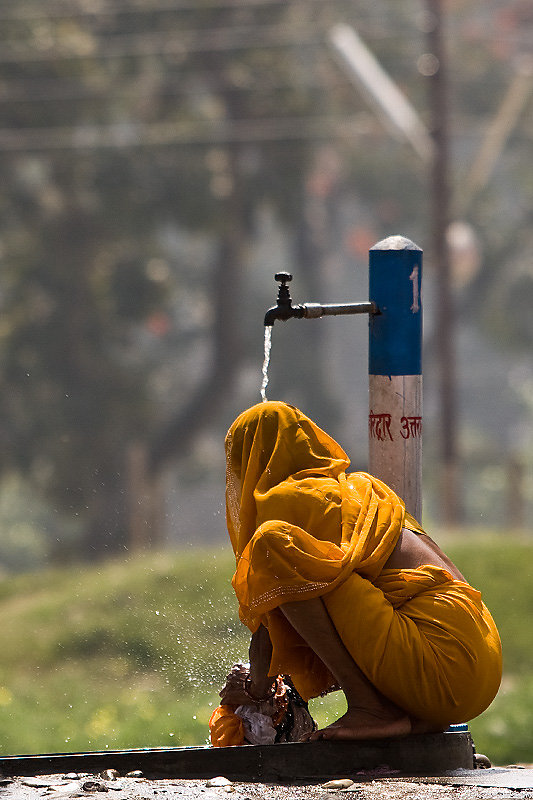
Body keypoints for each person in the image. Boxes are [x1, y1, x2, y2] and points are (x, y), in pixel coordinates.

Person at [211, 401, 501, 744]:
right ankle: (406, 721)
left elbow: (275, 601)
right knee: (317, 574)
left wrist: (255, 688)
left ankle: (371, 708)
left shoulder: (291, 499)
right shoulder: (355, 490)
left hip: (440, 666)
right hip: (481, 665)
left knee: (271, 548)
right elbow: (334, 630)